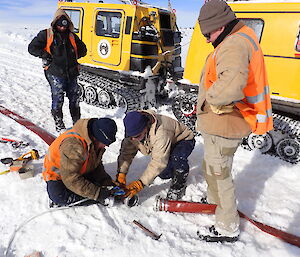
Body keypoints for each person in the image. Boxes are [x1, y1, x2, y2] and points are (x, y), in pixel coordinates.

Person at [196, 0, 273, 242]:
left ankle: (227, 226)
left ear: (220, 25)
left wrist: (210, 100)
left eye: (208, 33)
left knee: (220, 173)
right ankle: (214, 200)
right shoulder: (241, 35)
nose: (207, 39)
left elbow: (230, 84)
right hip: (221, 121)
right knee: (212, 165)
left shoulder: (234, 44)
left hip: (225, 123)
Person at [28, 8, 87, 132]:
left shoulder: (72, 36)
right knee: (58, 99)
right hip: (55, 73)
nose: (62, 28)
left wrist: (74, 56)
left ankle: (77, 124)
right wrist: (45, 55)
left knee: (74, 100)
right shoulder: (46, 34)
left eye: (64, 26)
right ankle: (59, 125)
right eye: (60, 25)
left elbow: (83, 49)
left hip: (71, 73)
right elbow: (32, 48)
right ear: (55, 23)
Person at [116, 110, 195, 200]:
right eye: (131, 137)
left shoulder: (160, 133)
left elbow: (158, 162)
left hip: (182, 140)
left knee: (176, 160)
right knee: (164, 173)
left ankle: (179, 183)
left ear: (145, 127)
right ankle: (170, 162)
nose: (133, 139)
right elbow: (126, 153)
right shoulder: (133, 132)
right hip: (164, 143)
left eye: (137, 136)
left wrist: (141, 183)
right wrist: (121, 174)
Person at [43, 117, 120, 207]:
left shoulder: (93, 142)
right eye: (104, 143)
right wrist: (97, 194)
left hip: (78, 169)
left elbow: (96, 165)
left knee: (95, 185)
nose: (105, 147)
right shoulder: (74, 145)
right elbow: (70, 178)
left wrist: (106, 182)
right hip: (58, 176)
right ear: (96, 138)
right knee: (59, 196)